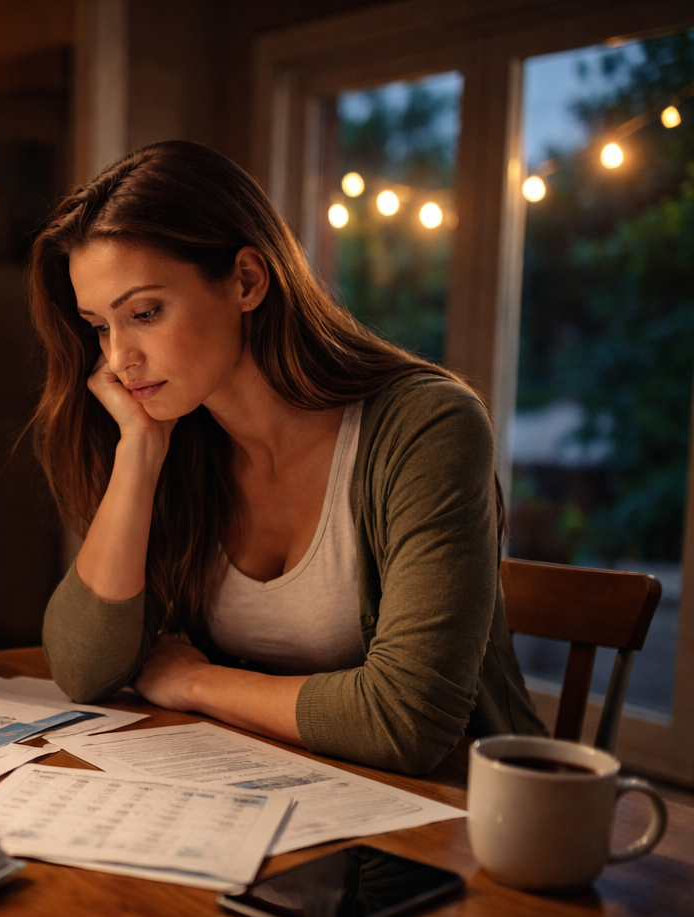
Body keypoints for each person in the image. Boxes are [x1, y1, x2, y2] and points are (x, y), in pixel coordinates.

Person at [31, 141, 545, 774]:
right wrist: (138, 453)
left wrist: (197, 682)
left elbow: (407, 721)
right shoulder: (179, 437)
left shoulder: (427, 426)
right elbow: (83, 671)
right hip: (284, 797)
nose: (117, 360)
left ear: (246, 280)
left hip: (457, 825)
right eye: (100, 326)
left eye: (145, 312)